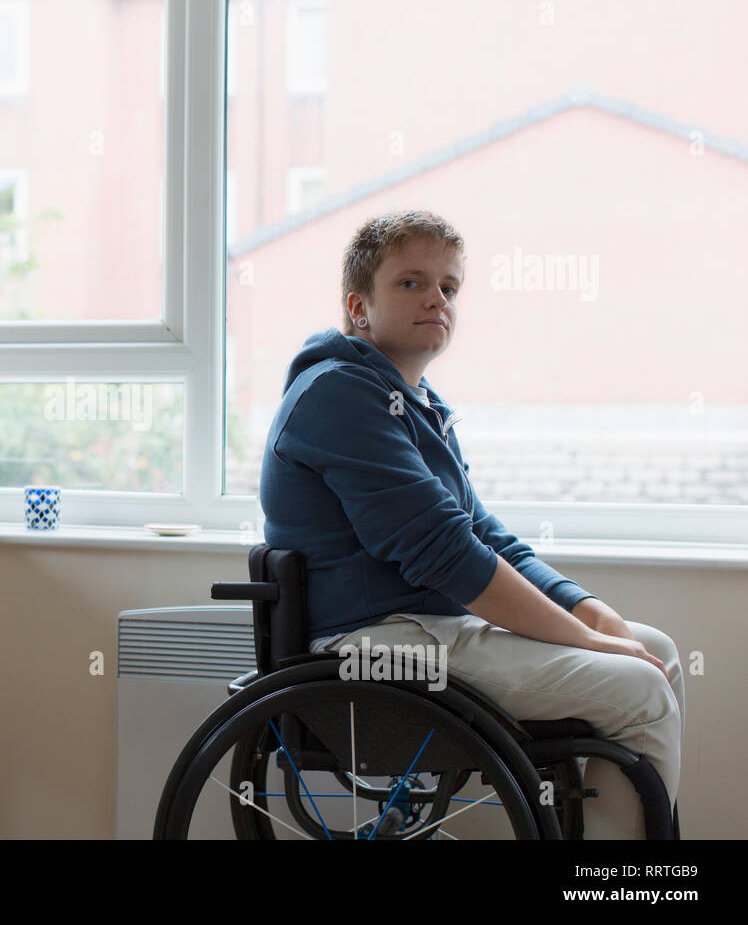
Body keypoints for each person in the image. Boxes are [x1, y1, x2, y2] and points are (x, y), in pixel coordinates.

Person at [258, 209, 684, 839]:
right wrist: (589, 645)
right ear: (359, 306)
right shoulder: (338, 395)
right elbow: (446, 555)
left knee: (659, 654)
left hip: (428, 629)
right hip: (372, 651)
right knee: (637, 689)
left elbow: (489, 538)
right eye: (411, 282)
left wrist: (592, 613)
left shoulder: (414, 407)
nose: (437, 299)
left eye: (449, 287)